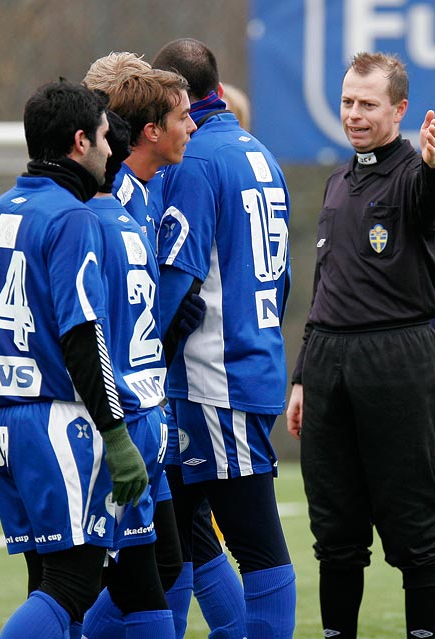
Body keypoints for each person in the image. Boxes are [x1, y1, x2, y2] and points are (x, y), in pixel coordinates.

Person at [0, 80, 147, 639]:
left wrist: (18, 360)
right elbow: (84, 337)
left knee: (48, 585)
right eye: (106, 139)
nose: (113, 151)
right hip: (56, 424)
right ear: (81, 142)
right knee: (75, 583)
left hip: (5, 425)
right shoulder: (73, 218)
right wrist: (116, 435)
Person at [286, 52, 435, 639]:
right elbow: (325, 286)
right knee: (334, 527)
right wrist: (303, 374)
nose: (354, 114)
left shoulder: (413, 172)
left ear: (400, 109)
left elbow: (432, 198)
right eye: (348, 101)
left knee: (410, 521)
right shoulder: (338, 180)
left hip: (394, 360)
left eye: (368, 104)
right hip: (329, 363)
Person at [83, 51, 244, 639]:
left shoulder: (145, 193)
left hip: (146, 407)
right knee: (92, 578)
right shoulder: (104, 202)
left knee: (165, 560)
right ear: (148, 128)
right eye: (182, 117)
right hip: (115, 413)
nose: (194, 128)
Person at [153, 37, 297, 639]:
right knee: (174, 534)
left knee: (256, 543)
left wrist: (144, 351)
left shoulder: (197, 159)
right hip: (247, 360)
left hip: (217, 376)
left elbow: (177, 281)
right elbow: (282, 278)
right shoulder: (262, 155)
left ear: (177, 95)